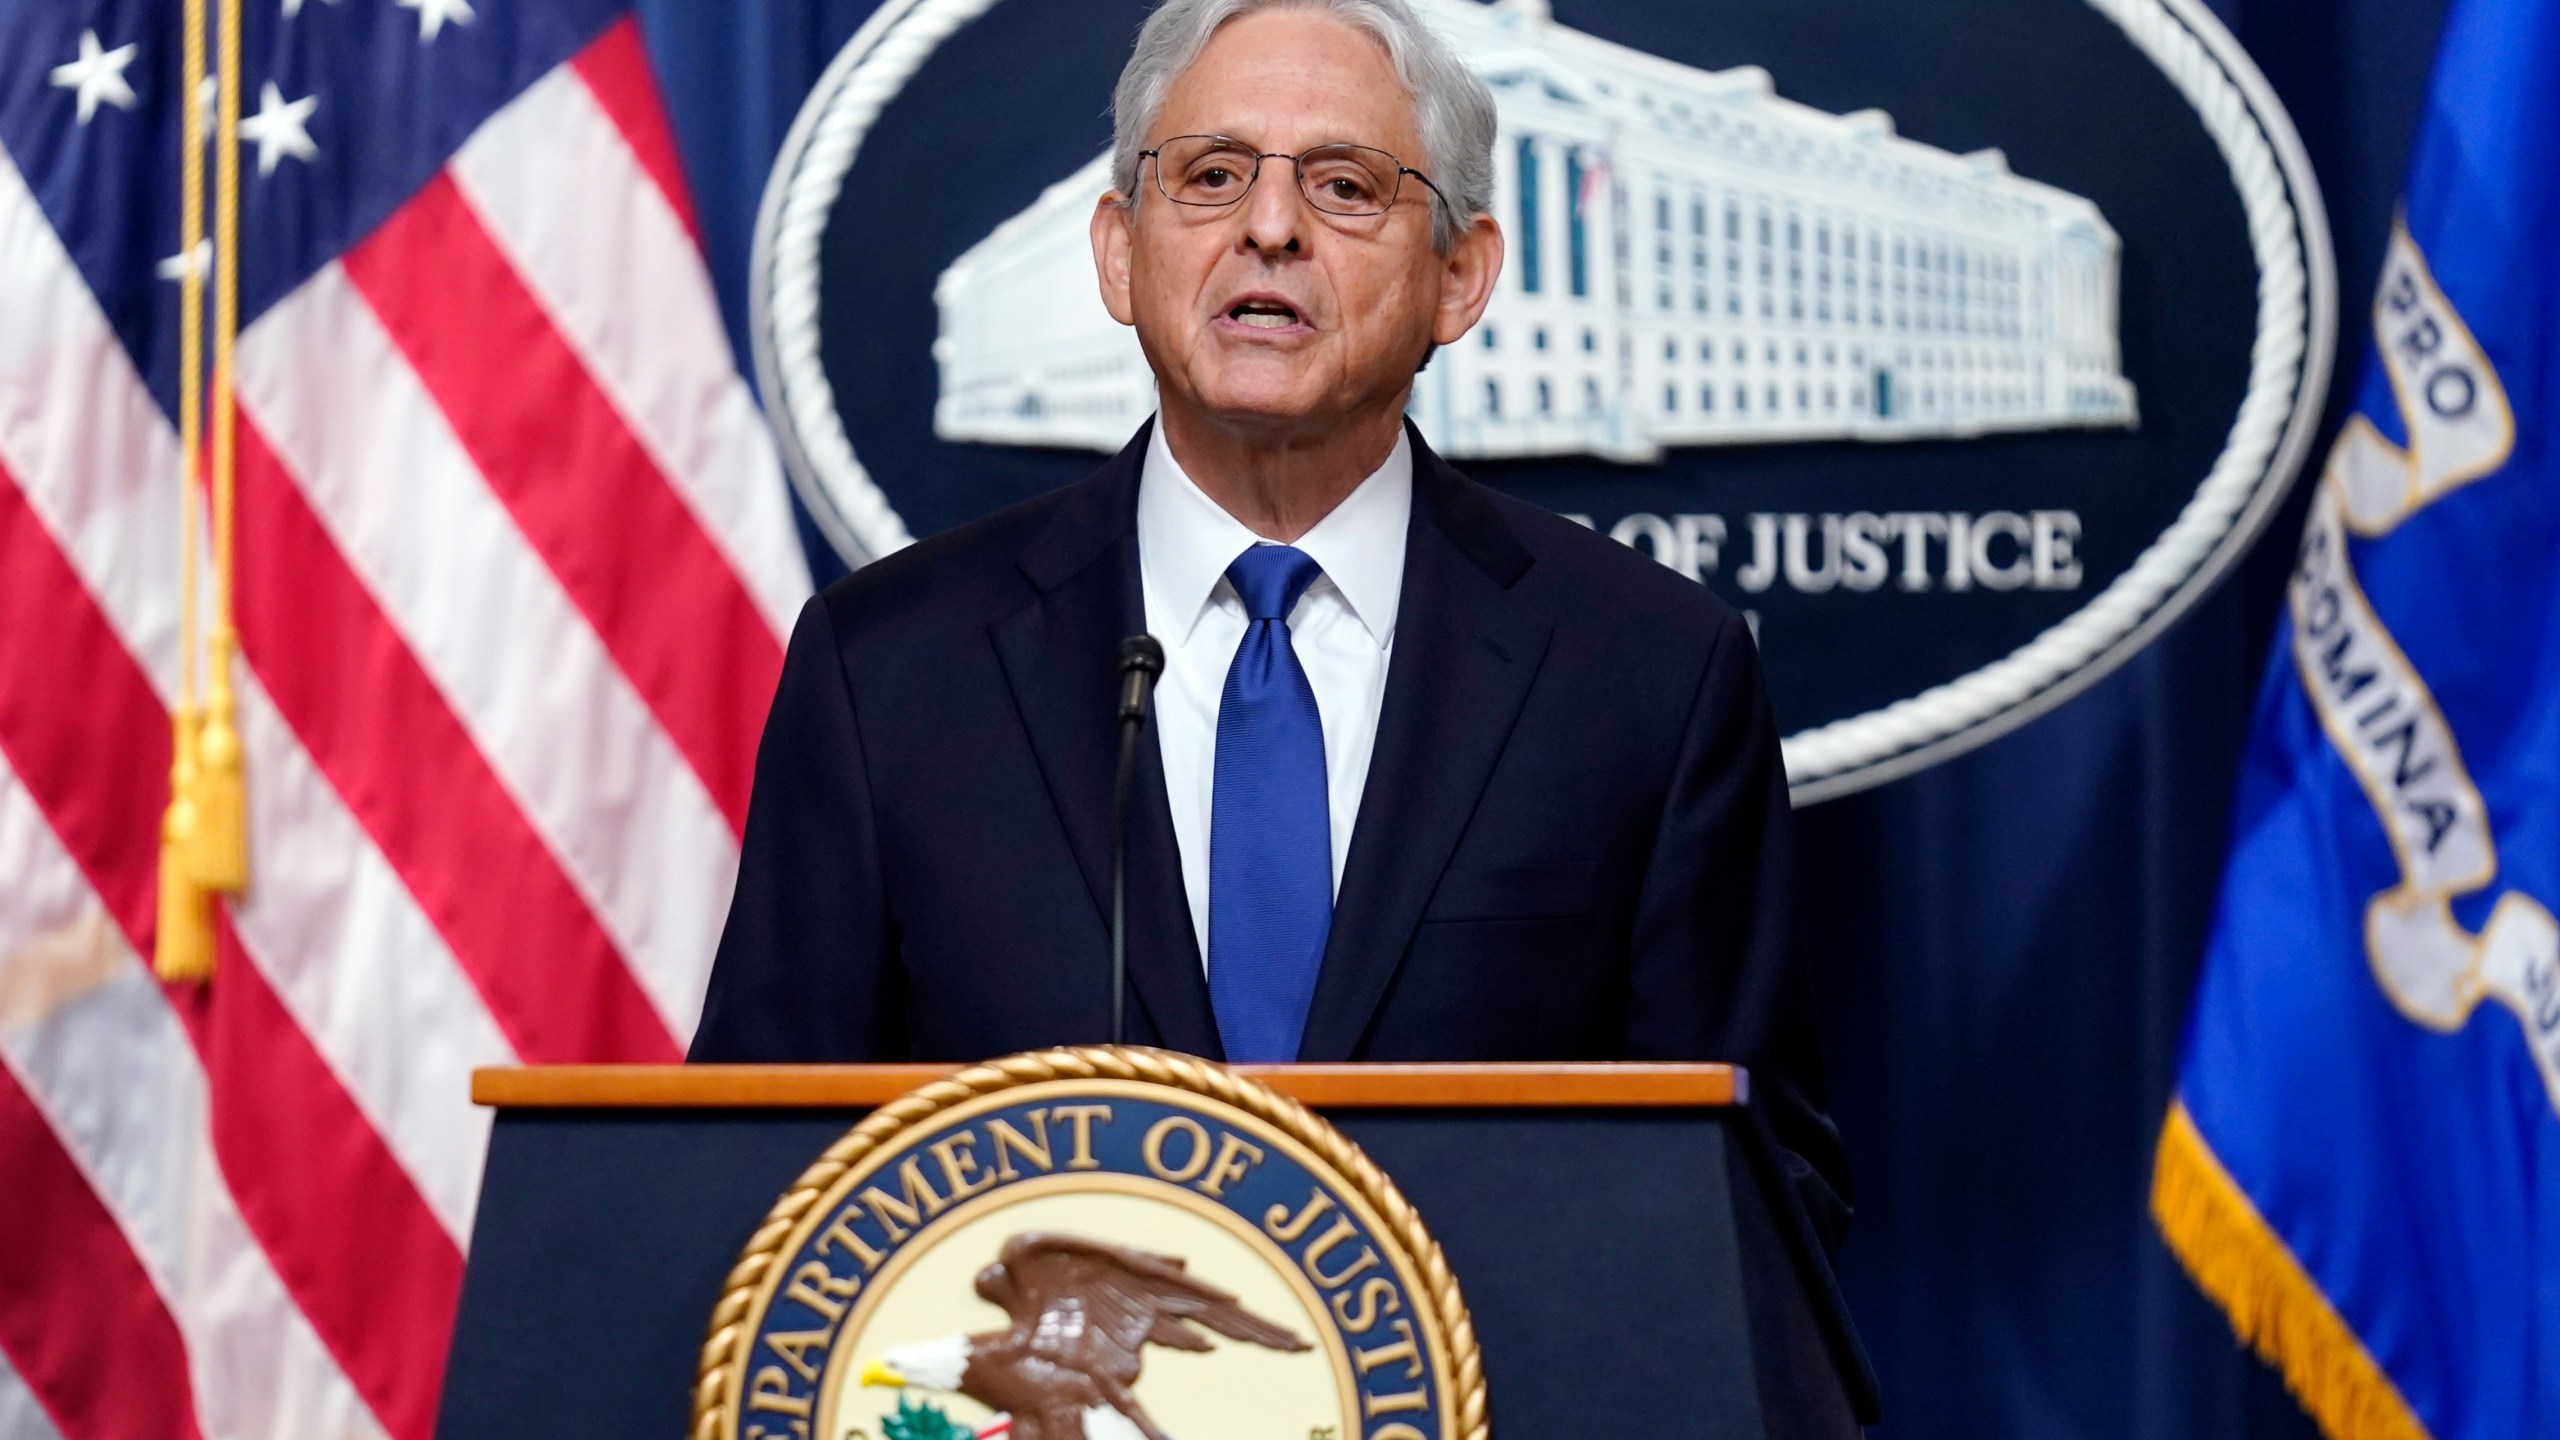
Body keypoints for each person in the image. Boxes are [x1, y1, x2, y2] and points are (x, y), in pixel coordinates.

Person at [694, 0, 1868, 1418]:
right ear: (1121, 254)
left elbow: (1754, 1201)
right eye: (1210, 176)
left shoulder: (1646, 676)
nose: (1269, 229)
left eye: (1346, 186)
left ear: (1461, 275)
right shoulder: (892, 669)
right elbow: (755, 1179)